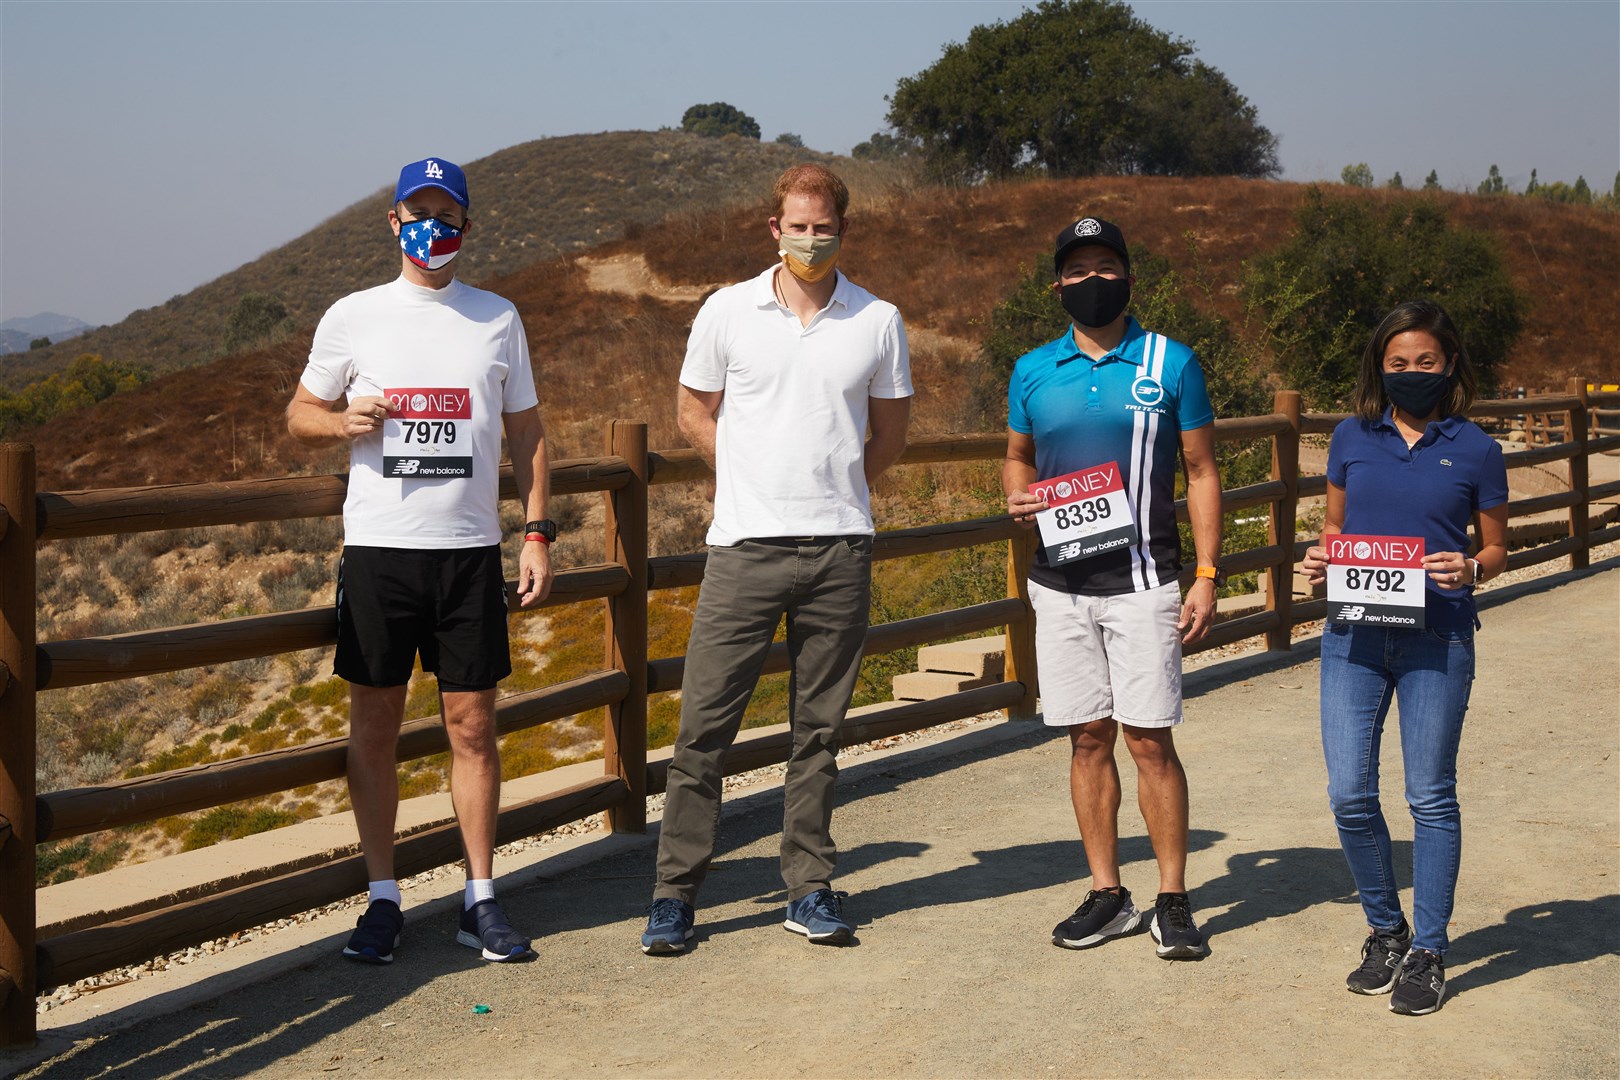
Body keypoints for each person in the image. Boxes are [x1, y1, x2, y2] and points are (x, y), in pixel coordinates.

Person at [286, 156, 555, 965]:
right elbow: (298, 413)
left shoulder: (498, 317)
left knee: (473, 726)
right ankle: (383, 899)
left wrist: (536, 532)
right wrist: (340, 424)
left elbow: (529, 435)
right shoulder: (354, 315)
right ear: (394, 222)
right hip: (379, 553)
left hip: (468, 555)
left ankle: (480, 898)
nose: (430, 227)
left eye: (446, 213)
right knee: (373, 727)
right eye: (417, 212)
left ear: (467, 226)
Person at [639, 163, 912, 955]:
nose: (810, 238)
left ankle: (809, 887)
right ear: (774, 228)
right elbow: (692, 410)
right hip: (743, 548)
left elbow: (889, 433)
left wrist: (842, 486)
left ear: (844, 229)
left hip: (839, 548)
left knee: (817, 732)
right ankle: (674, 896)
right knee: (701, 733)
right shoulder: (727, 311)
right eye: (797, 226)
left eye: (823, 226)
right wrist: (748, 473)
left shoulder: (878, 319)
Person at [1003, 216, 1222, 960]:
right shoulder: (1032, 368)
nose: (1090, 279)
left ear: (1128, 276)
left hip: (1146, 583)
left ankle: (1172, 898)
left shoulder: (1173, 361)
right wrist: (1018, 493)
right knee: (1086, 737)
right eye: (1076, 269)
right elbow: (1016, 456)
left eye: (1104, 266)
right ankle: (1108, 893)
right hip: (1060, 585)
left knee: (1148, 740)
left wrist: (1207, 574)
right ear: (1057, 284)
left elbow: (1199, 471)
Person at [1301, 299, 1507, 1015]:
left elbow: (1496, 546)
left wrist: (1473, 569)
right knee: (1349, 794)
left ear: (1449, 365)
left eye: (1426, 361)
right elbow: (1333, 525)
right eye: (1398, 363)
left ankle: (1430, 948)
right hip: (1352, 635)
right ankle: (1385, 929)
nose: (1412, 373)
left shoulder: (1477, 447)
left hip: (1439, 636)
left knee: (1430, 796)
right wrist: (1322, 558)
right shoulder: (1351, 436)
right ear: (1379, 367)